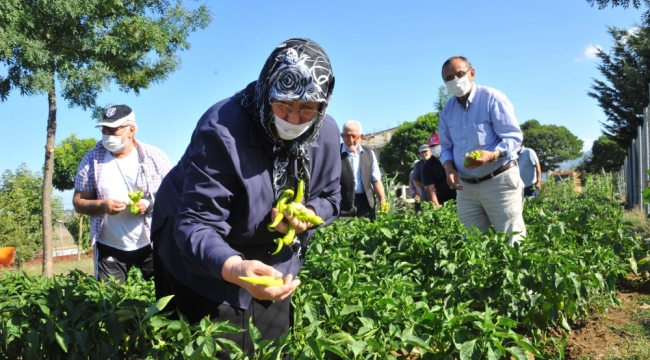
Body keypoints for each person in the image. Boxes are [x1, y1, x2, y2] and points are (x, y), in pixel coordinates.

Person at [150, 38, 340, 357]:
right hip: (196, 245)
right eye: (284, 105)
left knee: (269, 343)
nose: (293, 120)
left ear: (323, 105)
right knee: (212, 340)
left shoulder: (327, 134)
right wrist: (235, 267)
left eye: (307, 108)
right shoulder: (222, 129)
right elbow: (196, 224)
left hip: (269, 253)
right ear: (267, 90)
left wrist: (306, 213)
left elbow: (332, 198)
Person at [73, 104, 172, 283]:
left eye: (114, 129)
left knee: (166, 296)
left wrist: (149, 204)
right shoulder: (91, 160)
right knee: (109, 303)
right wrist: (102, 205)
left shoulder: (155, 157)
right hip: (110, 246)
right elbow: (79, 202)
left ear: (132, 129)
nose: (108, 134)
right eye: (104, 129)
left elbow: (174, 195)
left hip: (152, 243)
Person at [438, 55, 526, 244]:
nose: (455, 80)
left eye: (460, 74)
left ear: (472, 73)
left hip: (499, 181)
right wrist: (449, 169)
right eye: (449, 78)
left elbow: (513, 137)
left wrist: (492, 154)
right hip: (466, 187)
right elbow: (446, 147)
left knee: (512, 241)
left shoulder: (492, 98)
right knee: (472, 245)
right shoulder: (447, 111)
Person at [339, 120, 387, 220]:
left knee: (367, 232)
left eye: (354, 136)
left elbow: (376, 180)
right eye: (347, 136)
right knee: (342, 233)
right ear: (342, 136)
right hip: (342, 204)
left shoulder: (369, 153)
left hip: (365, 204)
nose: (350, 140)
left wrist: (382, 198)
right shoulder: (335, 153)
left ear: (361, 137)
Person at [422, 133, 457, 206]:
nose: (434, 148)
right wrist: (438, 209)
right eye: (432, 146)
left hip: (461, 197)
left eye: (436, 145)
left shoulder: (455, 158)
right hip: (443, 202)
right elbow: (430, 190)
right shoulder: (427, 166)